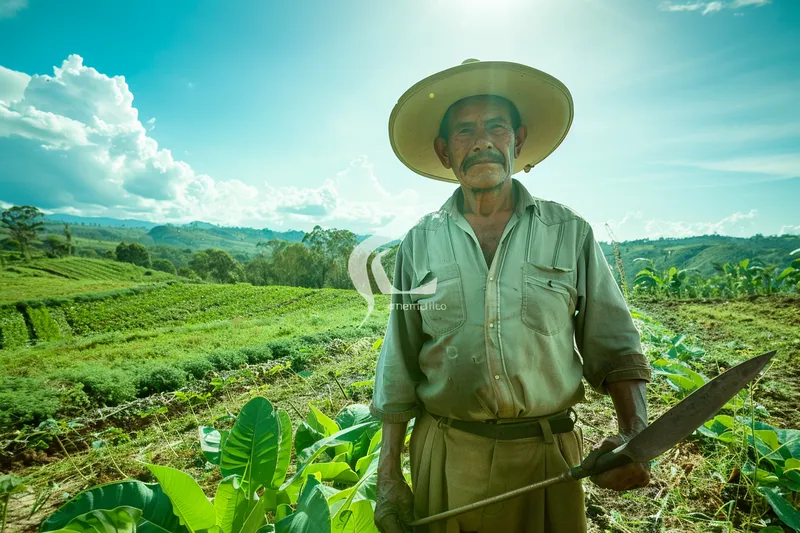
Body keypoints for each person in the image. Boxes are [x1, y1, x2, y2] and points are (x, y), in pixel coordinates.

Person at [369, 59, 652, 533]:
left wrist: (634, 436)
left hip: (547, 462)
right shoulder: (418, 243)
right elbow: (399, 365)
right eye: (464, 132)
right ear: (444, 151)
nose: (481, 141)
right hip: (446, 457)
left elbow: (617, 348)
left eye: (495, 127)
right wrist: (388, 475)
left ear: (516, 142)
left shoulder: (570, 232)